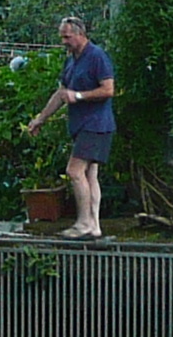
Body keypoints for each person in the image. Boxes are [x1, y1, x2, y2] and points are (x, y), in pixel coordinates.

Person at [25, 15, 117, 239]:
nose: (63, 41)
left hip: (96, 125)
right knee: (90, 174)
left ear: (80, 34)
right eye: (62, 37)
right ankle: (94, 226)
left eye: (67, 37)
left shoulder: (97, 56)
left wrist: (78, 95)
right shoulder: (71, 60)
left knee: (74, 171)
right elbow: (60, 94)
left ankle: (84, 223)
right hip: (82, 126)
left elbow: (108, 90)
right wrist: (40, 118)